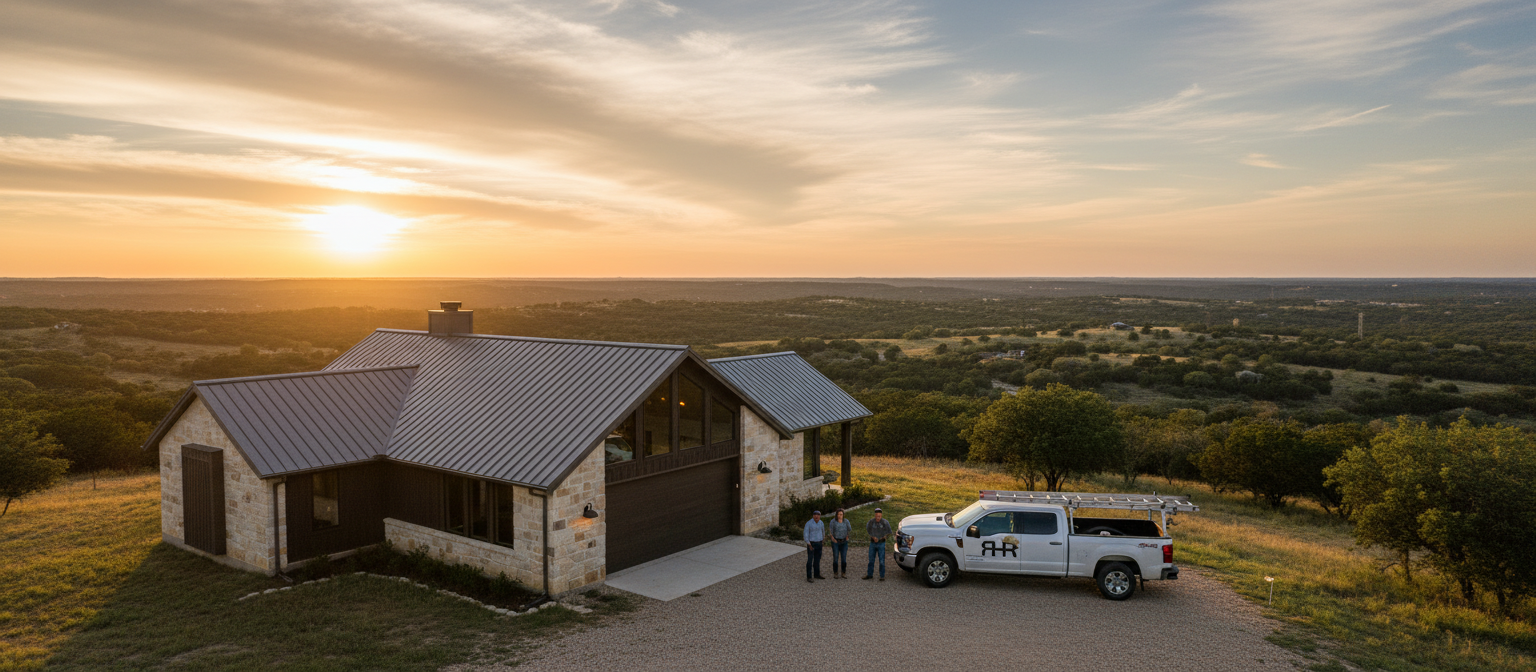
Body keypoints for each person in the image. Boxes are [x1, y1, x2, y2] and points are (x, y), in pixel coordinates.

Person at [863, 508, 893, 581]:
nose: (878, 517)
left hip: (881, 544)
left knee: (882, 561)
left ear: (881, 515)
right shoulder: (871, 522)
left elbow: (889, 532)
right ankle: (869, 574)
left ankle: (882, 576)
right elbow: (868, 531)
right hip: (873, 543)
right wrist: (872, 537)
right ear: (875, 515)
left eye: (879, 516)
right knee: (871, 560)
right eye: (876, 516)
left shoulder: (885, 522)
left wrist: (884, 537)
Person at [827, 509, 851, 578]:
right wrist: (832, 538)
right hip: (836, 542)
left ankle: (843, 572)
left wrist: (847, 535)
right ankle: (835, 572)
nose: (840, 516)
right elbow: (830, 531)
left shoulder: (846, 521)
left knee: (843, 558)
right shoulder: (833, 521)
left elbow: (849, 529)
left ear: (843, 515)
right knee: (836, 558)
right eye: (838, 514)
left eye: (841, 514)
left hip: (844, 542)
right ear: (836, 515)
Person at [803, 510, 826, 582]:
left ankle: (817, 574)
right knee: (810, 560)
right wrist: (808, 543)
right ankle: (809, 576)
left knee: (817, 560)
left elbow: (823, 531)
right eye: (815, 514)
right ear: (813, 516)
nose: (816, 516)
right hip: (811, 544)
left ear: (820, 516)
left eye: (818, 515)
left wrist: (823, 540)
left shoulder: (821, 523)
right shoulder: (808, 523)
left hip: (819, 543)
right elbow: (805, 533)